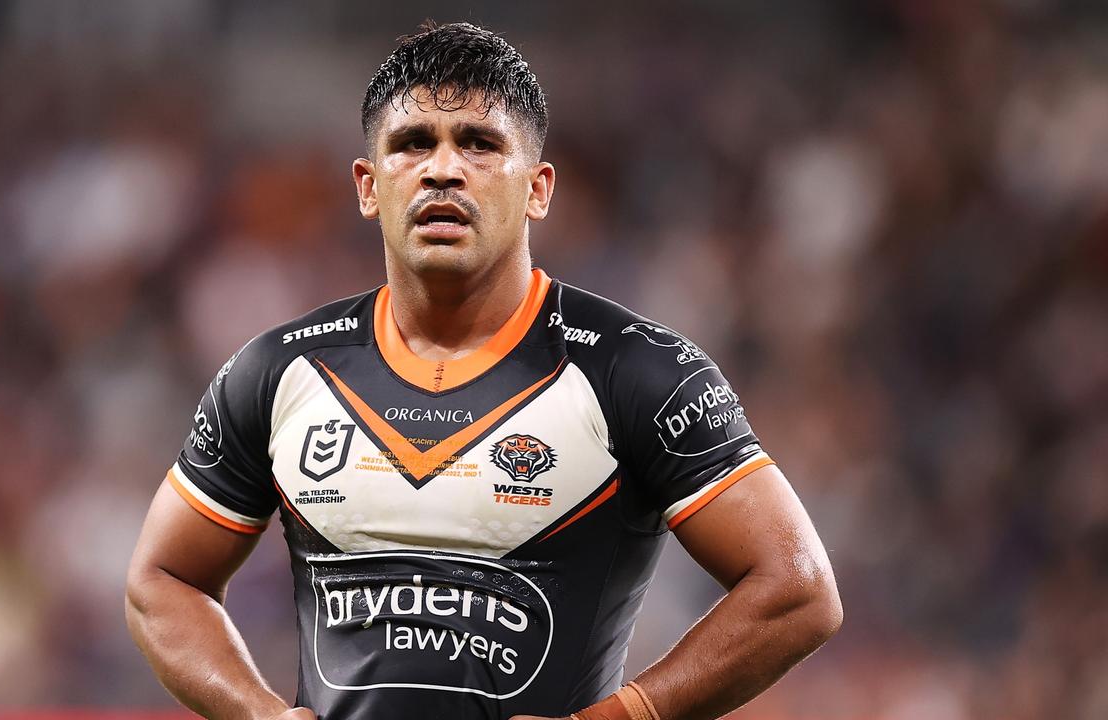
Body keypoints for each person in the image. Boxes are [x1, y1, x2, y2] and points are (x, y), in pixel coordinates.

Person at [126, 21, 842, 720]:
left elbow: (798, 588)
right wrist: (256, 714)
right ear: (368, 186)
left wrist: (629, 716)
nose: (443, 168)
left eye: (479, 143)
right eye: (412, 145)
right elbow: (159, 580)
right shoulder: (279, 371)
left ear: (538, 188)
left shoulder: (636, 369)